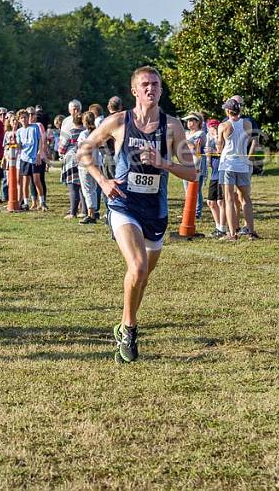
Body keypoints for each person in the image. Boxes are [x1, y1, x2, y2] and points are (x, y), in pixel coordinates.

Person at [77, 66, 197, 364]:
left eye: (155, 84)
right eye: (144, 84)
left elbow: (192, 172)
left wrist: (164, 163)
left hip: (155, 211)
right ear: (134, 90)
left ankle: (123, 322)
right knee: (139, 267)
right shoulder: (118, 122)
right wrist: (103, 181)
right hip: (123, 204)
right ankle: (130, 330)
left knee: (141, 277)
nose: (150, 89)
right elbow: (84, 150)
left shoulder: (172, 127)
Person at [217, 97, 259, 240]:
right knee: (246, 198)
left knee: (228, 199)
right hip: (242, 165)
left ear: (228, 111)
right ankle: (251, 232)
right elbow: (253, 140)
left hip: (227, 165)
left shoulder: (223, 126)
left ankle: (232, 233)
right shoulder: (247, 123)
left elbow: (219, 147)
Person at [58, 101, 85, 218]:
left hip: (72, 159)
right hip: (84, 159)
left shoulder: (71, 131)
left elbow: (62, 146)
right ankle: (84, 210)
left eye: (77, 108)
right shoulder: (85, 130)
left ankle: (73, 211)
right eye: (73, 109)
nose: (75, 111)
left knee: (73, 186)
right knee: (83, 185)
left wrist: (61, 152)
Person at [16, 109, 46, 211]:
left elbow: (40, 140)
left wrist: (39, 153)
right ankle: (25, 202)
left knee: (37, 180)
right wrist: (15, 143)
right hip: (24, 158)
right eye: (21, 118)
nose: (24, 119)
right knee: (25, 182)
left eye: (25, 117)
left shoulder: (35, 127)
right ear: (19, 120)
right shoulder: (19, 131)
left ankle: (42, 202)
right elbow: (19, 146)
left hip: (34, 158)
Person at [77, 111, 101, 222]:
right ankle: (95, 211)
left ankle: (91, 213)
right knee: (94, 188)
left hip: (86, 164)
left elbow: (81, 149)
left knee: (87, 189)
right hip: (97, 162)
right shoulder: (98, 132)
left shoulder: (84, 134)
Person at [182, 113, 207, 219]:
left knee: (196, 189)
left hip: (197, 164)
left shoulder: (201, 134)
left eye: (192, 120)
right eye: (188, 120)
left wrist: (185, 141)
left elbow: (195, 149)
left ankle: (197, 212)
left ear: (198, 122)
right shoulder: (186, 133)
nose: (189, 123)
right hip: (185, 163)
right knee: (187, 189)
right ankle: (188, 210)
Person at [204, 118, 224, 237]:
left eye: (215, 127)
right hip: (214, 173)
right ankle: (218, 227)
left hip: (222, 172)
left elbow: (223, 152)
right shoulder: (208, 139)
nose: (213, 129)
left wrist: (213, 151)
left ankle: (222, 228)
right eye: (211, 127)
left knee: (221, 201)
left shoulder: (221, 138)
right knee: (211, 202)